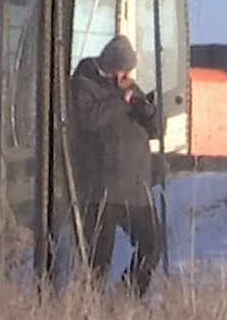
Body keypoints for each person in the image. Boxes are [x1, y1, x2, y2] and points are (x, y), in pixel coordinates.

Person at [69, 35, 162, 295]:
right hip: (102, 189)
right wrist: (121, 99)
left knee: (153, 246)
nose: (126, 74)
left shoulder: (129, 88)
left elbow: (156, 129)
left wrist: (144, 107)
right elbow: (89, 120)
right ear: (110, 64)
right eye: (123, 68)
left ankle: (126, 296)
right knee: (99, 259)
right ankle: (93, 310)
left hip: (135, 189)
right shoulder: (84, 82)